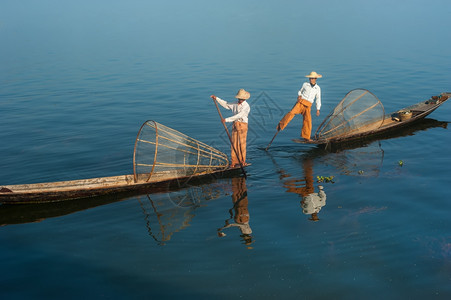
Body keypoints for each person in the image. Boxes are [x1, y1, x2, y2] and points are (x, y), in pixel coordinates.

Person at [277, 71, 322, 141]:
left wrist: (318, 109)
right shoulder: (305, 84)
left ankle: (306, 137)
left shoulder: (318, 88)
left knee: (307, 121)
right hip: (300, 103)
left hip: (308, 105)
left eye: (312, 78)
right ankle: (281, 125)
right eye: (310, 78)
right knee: (291, 113)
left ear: (315, 78)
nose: (311, 79)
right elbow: (300, 91)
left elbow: (318, 99)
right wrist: (299, 95)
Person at [211, 89, 251, 167]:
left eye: (241, 99)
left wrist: (226, 120)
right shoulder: (235, 103)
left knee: (242, 144)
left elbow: (239, 115)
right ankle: (234, 161)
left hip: (243, 125)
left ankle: (242, 161)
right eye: (239, 98)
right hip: (235, 124)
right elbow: (226, 104)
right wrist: (217, 99)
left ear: (244, 99)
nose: (240, 100)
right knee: (234, 143)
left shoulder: (246, 107)